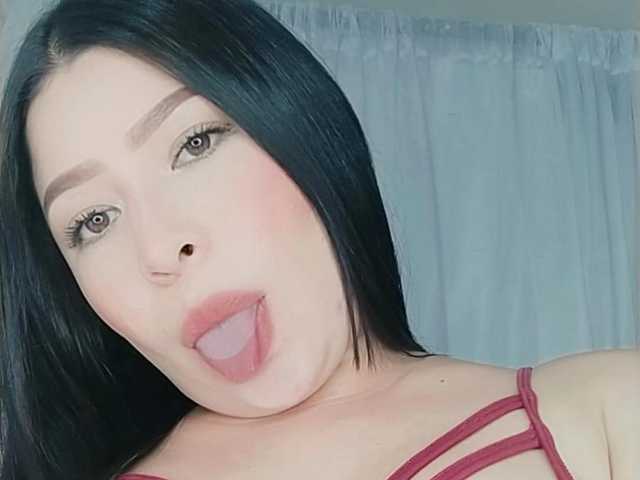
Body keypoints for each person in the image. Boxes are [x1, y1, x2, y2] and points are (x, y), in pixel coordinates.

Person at [0, 0, 637, 479]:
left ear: (301, 127)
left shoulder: (612, 414)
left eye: (194, 144)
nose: (161, 248)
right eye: (94, 220)